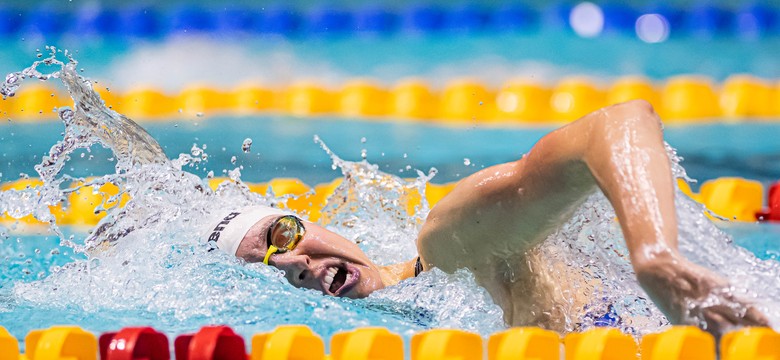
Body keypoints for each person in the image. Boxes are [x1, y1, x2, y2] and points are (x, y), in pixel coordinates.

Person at [202, 100, 768, 336]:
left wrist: (654, 256)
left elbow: (619, 122)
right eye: (268, 270)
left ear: (311, 223)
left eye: (283, 236)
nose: (296, 265)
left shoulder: (451, 246)